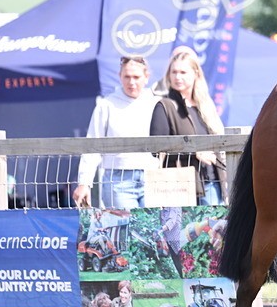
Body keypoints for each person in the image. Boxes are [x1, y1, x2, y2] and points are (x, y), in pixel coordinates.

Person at [73, 56, 158, 209]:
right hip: (118, 181)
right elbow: (92, 145)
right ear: (120, 76)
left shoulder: (157, 103)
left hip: (154, 178)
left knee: (156, 224)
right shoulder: (106, 105)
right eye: (127, 76)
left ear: (147, 77)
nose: (131, 82)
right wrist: (84, 183)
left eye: (136, 77)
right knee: (124, 224)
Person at [150, 46, 227, 206]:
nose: (178, 77)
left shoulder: (205, 105)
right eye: (174, 72)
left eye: (183, 72)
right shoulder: (164, 105)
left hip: (213, 182)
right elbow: (156, 148)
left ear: (195, 74)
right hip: (181, 186)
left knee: (216, 223)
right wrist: (194, 151)